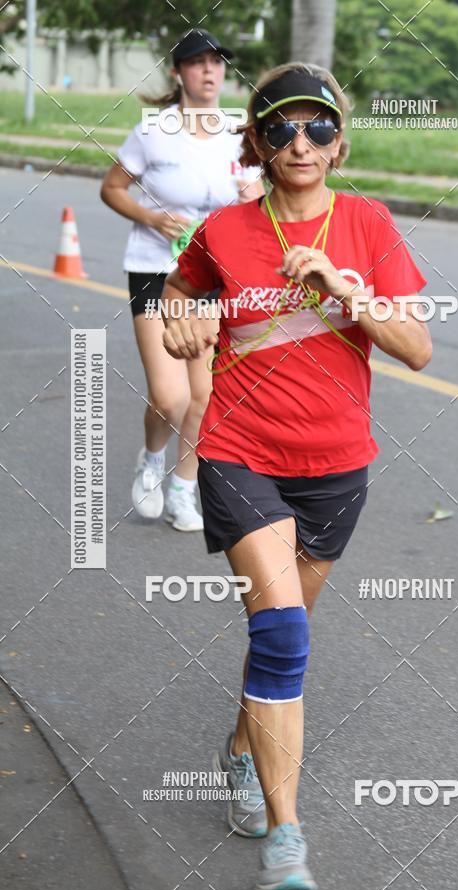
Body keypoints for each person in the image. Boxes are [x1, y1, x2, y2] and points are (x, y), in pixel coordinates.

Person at [160, 62, 432, 890]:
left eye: (317, 126)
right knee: (279, 633)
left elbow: (418, 347)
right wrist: (179, 319)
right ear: (258, 144)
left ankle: (242, 751)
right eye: (280, 128)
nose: (300, 141)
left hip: (337, 466)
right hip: (240, 451)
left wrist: (344, 292)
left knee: (284, 636)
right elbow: (180, 290)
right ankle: (288, 841)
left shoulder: (370, 225)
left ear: (340, 140)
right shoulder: (224, 232)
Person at [100, 29, 263, 531]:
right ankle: (152, 458)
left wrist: (250, 198)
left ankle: (182, 488)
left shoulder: (239, 133)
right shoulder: (154, 131)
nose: (210, 72)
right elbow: (112, 189)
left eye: (217, 63)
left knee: (207, 396)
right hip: (154, 270)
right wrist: (152, 218)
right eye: (198, 63)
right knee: (170, 397)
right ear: (179, 73)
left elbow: (259, 204)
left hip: (211, 278)